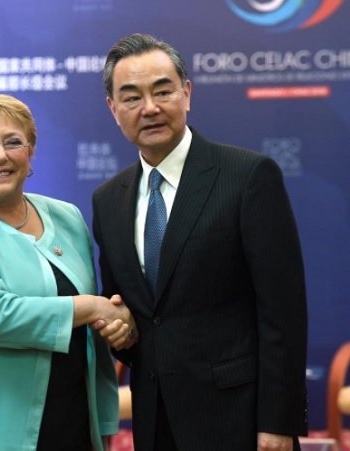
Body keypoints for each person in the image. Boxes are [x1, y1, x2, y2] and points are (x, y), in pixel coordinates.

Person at [92, 33, 308, 451]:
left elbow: (283, 312)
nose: (150, 108)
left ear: (186, 93)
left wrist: (277, 424)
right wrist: (118, 328)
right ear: (113, 109)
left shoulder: (246, 176)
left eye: (163, 91)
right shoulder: (108, 199)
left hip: (239, 422)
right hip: (156, 422)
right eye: (132, 97)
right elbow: (129, 308)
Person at [0, 93, 136, 451]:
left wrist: (119, 320)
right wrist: (93, 308)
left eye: (13, 142)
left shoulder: (67, 217)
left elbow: (97, 314)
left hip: (72, 418)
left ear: (30, 151)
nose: (0, 155)